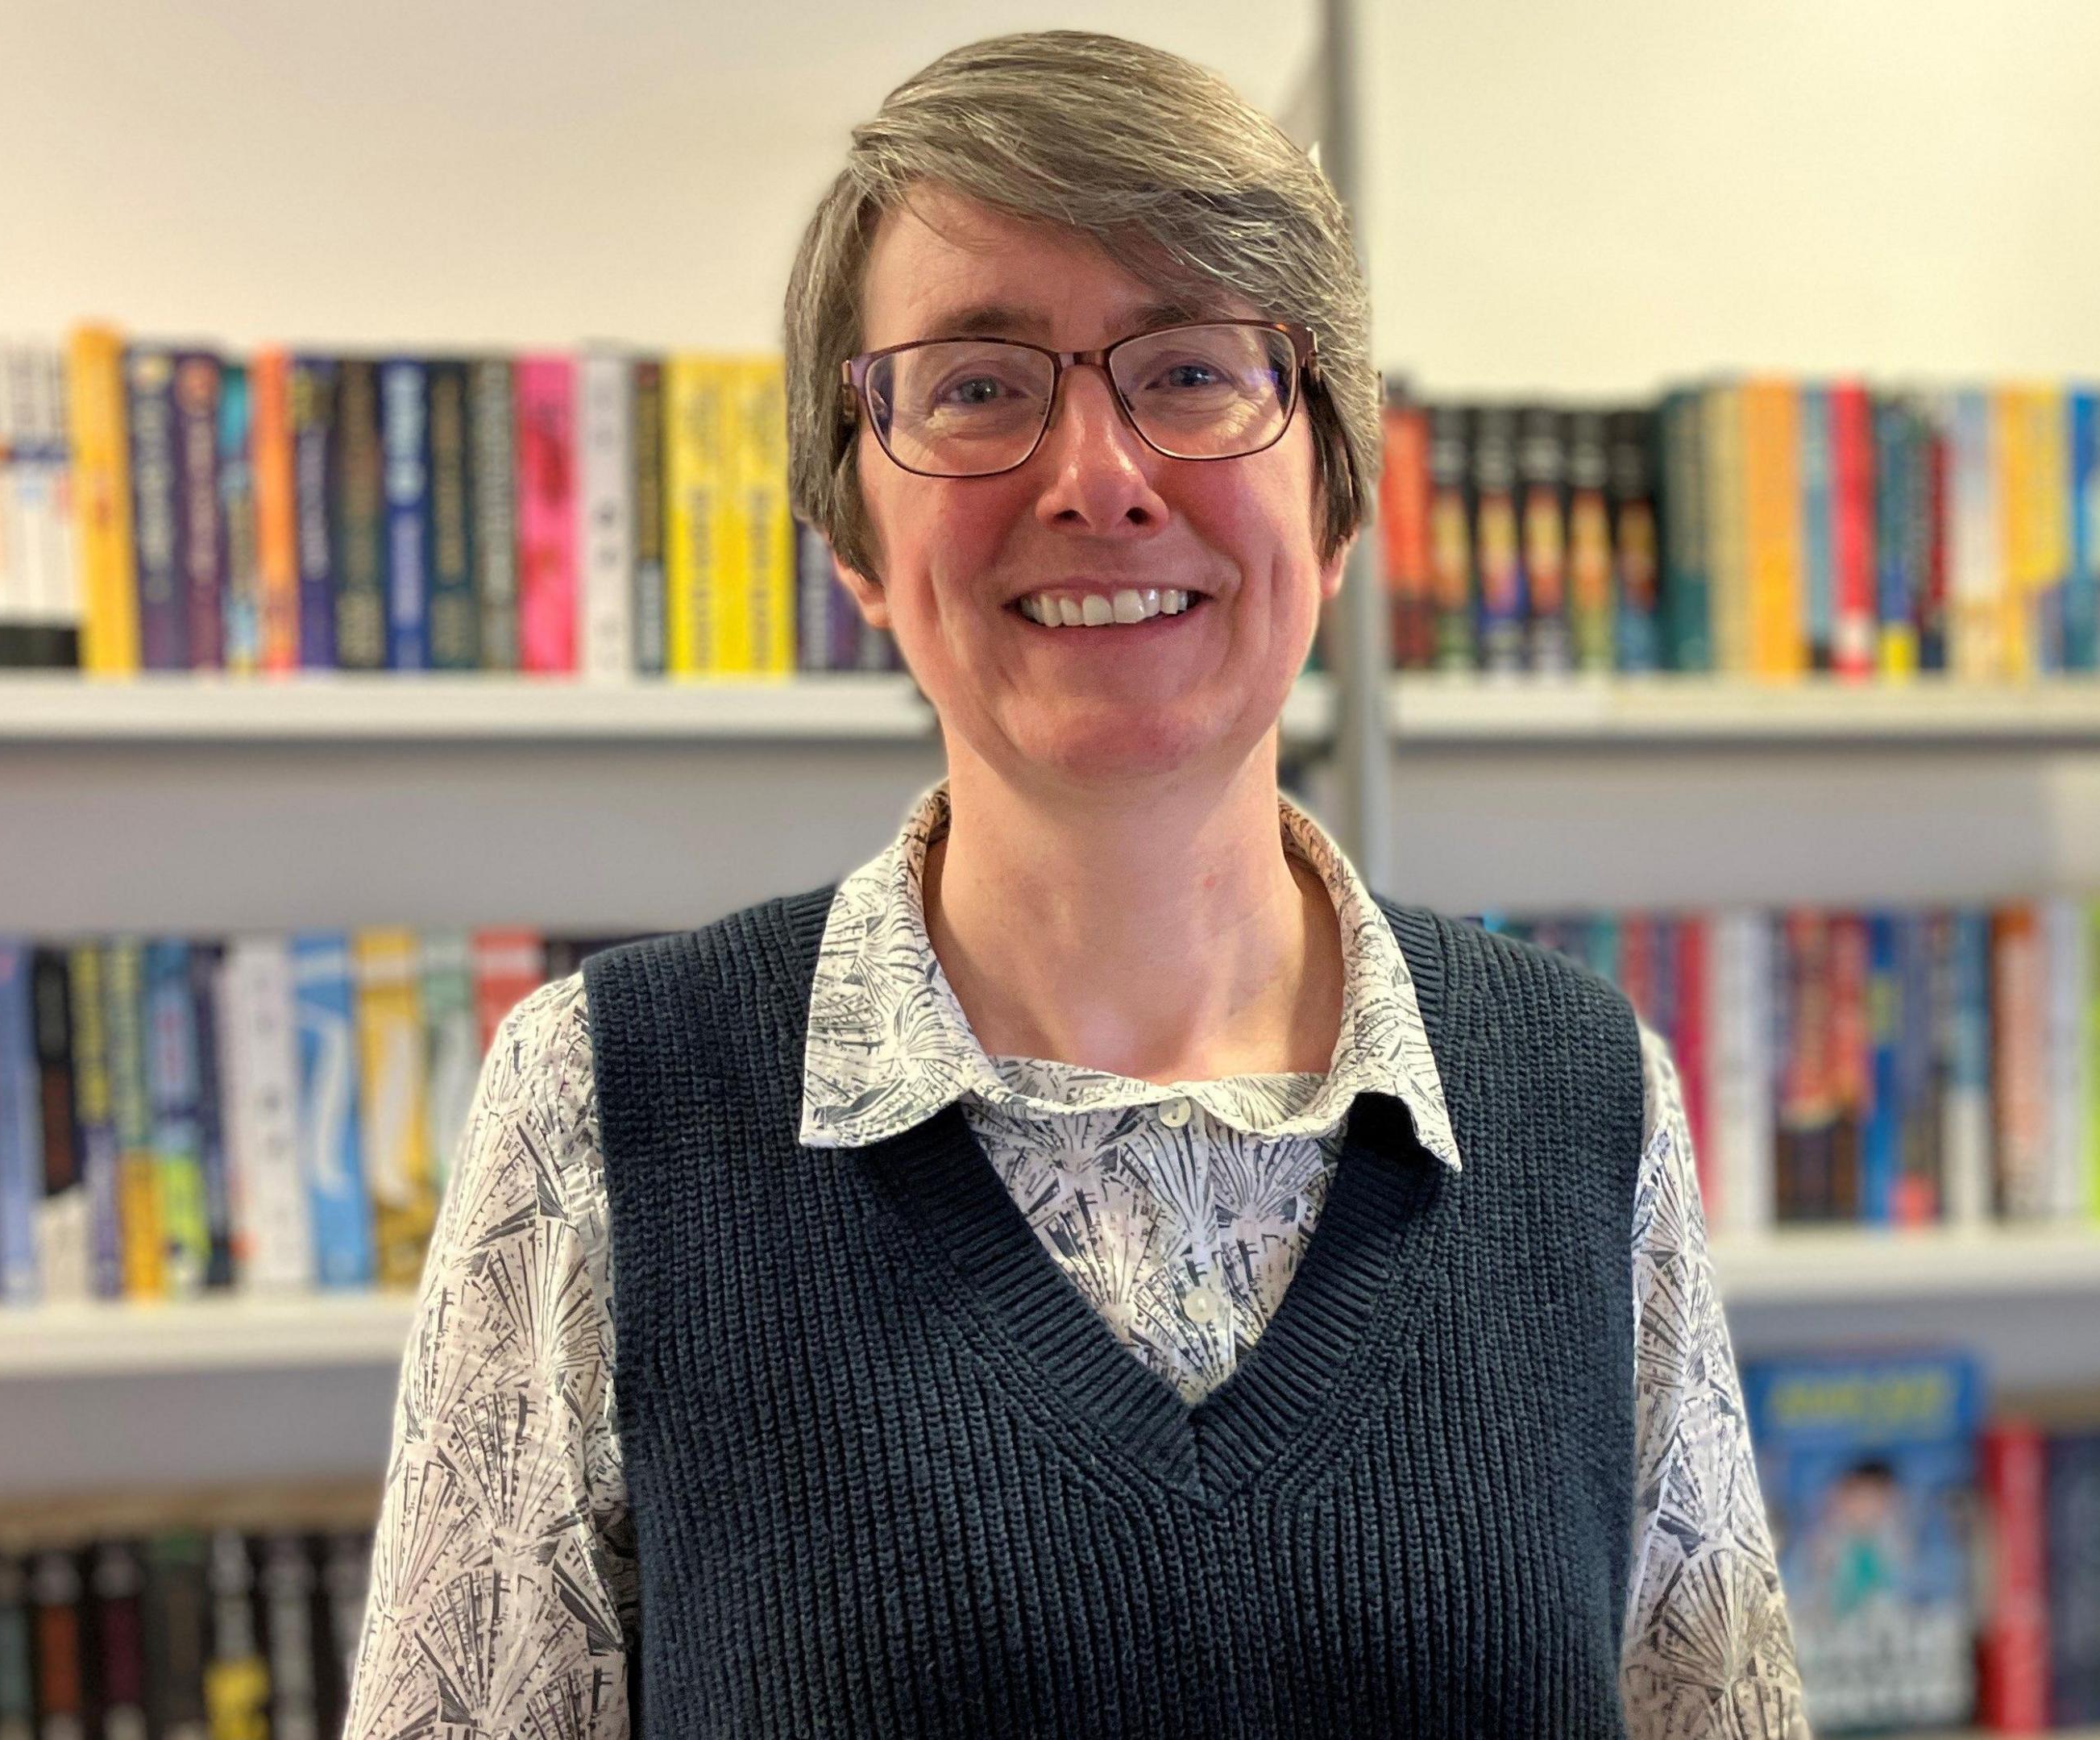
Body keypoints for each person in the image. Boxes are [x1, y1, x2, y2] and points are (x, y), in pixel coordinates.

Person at [343, 29, 1801, 1738]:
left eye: (1189, 372)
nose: (1099, 478)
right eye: (977, 386)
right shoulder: (607, 1109)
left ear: (1336, 503)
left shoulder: (1579, 1099)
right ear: (852, 542)